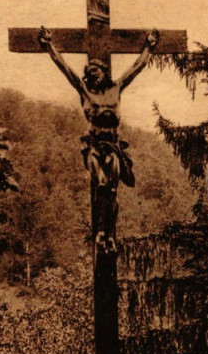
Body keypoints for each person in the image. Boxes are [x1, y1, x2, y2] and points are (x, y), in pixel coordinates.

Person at [38, 26, 159, 252]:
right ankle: (101, 232)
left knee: (112, 190)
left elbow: (137, 67)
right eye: (90, 72)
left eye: (97, 71)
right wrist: (49, 46)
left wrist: (149, 47)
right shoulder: (85, 92)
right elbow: (65, 69)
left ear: (104, 72)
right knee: (100, 184)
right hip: (93, 146)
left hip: (113, 146)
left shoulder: (116, 89)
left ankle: (109, 234)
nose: (94, 74)